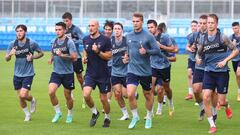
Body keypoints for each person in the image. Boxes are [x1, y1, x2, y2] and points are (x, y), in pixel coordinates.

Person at [196, 14, 238, 134]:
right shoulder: (203, 38)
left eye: (212, 23)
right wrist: (199, 58)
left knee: (221, 101)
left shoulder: (222, 37)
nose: (209, 25)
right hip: (208, 71)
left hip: (222, 73)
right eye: (208, 23)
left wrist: (225, 61)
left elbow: (235, 51)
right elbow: (199, 53)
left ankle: (226, 105)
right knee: (206, 96)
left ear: (216, 24)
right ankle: (212, 125)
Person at [123, 13, 162, 129]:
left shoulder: (148, 36)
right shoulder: (128, 36)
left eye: (137, 21)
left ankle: (149, 117)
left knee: (148, 95)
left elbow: (157, 50)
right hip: (132, 70)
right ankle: (135, 116)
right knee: (130, 94)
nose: (135, 23)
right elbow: (128, 50)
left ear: (142, 22)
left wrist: (147, 52)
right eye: (133, 21)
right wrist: (126, 57)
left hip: (145, 71)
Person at [5, 24, 44, 121]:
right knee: (21, 97)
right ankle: (27, 114)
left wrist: (32, 57)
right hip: (17, 74)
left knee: (23, 95)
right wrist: (10, 54)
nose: (19, 33)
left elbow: (41, 53)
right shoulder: (12, 44)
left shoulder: (31, 43)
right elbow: (6, 59)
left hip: (28, 73)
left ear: (25, 32)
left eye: (21, 31)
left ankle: (32, 100)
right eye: (17, 31)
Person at [82, 20, 112, 127]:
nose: (90, 27)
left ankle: (107, 117)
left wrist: (98, 51)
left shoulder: (105, 40)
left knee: (104, 99)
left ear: (98, 27)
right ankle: (95, 112)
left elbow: (109, 56)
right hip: (90, 73)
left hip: (103, 74)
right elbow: (85, 50)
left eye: (93, 26)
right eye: (89, 25)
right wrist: (84, 58)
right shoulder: (85, 39)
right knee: (86, 95)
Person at [48, 22, 77, 123]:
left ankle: (69, 114)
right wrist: (51, 59)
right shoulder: (53, 41)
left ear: (64, 30)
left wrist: (63, 55)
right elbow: (53, 52)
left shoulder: (69, 42)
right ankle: (58, 112)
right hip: (56, 72)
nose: (57, 31)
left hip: (68, 73)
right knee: (51, 92)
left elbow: (74, 57)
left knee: (68, 96)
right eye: (56, 30)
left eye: (59, 29)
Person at [147, 19, 173, 116]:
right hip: (152, 66)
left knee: (164, 89)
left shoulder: (165, 37)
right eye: (148, 27)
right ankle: (150, 111)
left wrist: (161, 46)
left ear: (156, 27)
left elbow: (173, 48)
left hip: (164, 66)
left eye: (151, 27)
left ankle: (168, 102)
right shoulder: (147, 37)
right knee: (151, 89)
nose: (150, 29)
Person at [62, 12, 86, 108]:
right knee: (67, 77)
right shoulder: (62, 29)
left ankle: (85, 95)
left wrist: (74, 41)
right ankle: (70, 97)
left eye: (66, 21)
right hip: (66, 58)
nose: (65, 22)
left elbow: (84, 40)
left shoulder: (75, 29)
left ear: (71, 20)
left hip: (76, 57)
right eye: (64, 21)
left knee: (80, 78)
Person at [111, 22, 129, 120]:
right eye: (115, 29)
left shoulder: (127, 41)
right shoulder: (110, 41)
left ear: (122, 30)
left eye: (118, 28)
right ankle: (125, 114)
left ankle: (134, 94)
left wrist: (127, 58)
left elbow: (132, 53)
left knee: (126, 95)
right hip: (115, 71)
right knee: (117, 94)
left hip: (126, 71)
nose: (117, 30)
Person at [185, 20, 198, 100]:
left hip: (198, 60)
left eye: (195, 25)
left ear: (198, 26)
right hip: (191, 58)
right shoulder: (190, 36)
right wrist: (190, 49)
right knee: (189, 74)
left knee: (197, 77)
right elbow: (187, 46)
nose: (193, 27)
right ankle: (190, 93)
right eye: (192, 26)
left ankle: (199, 94)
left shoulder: (201, 35)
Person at [229, 22, 240, 101]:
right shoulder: (231, 37)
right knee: (237, 76)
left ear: (239, 27)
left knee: (238, 73)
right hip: (234, 59)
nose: (234, 30)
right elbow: (229, 48)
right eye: (233, 28)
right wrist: (232, 46)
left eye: (236, 28)